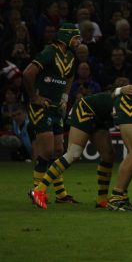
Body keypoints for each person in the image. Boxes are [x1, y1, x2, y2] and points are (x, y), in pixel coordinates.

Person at [30, 84, 132, 209]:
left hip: (100, 118)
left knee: (108, 155)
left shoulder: (130, 100)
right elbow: (113, 96)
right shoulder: (123, 96)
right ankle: (39, 190)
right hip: (84, 109)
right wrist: (120, 90)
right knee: (74, 153)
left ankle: (101, 200)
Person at [22, 23, 82, 204]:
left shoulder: (71, 56)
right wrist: (34, 97)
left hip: (57, 108)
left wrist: (65, 96)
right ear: (67, 38)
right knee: (47, 151)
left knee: (58, 151)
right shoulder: (49, 52)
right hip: (42, 107)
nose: (79, 42)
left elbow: (70, 75)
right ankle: (36, 192)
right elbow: (27, 73)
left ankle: (61, 195)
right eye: (76, 38)